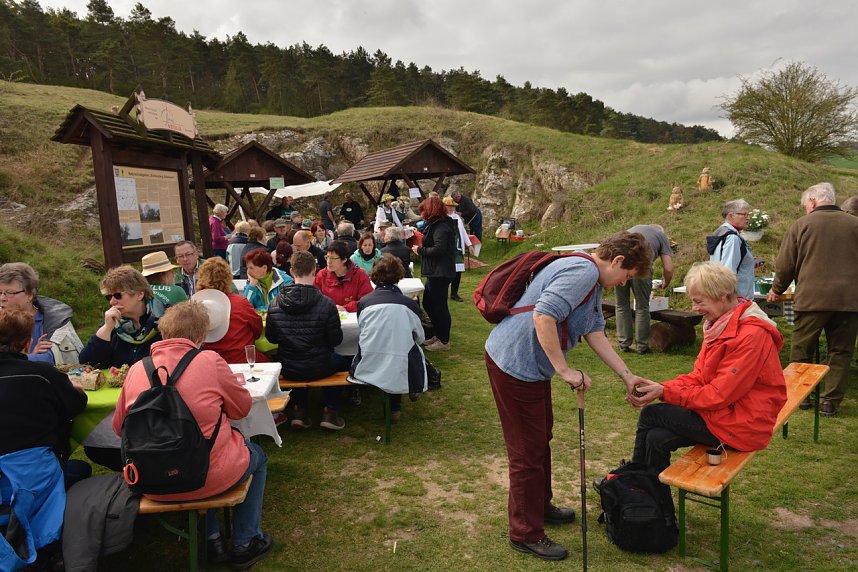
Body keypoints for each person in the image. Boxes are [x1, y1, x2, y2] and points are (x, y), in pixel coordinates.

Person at [484, 231, 652, 562]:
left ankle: (539, 506)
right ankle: (525, 532)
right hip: (514, 364)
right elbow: (543, 316)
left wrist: (627, 375)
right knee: (526, 451)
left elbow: (593, 331)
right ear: (617, 261)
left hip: (530, 368)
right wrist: (564, 371)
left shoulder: (589, 277)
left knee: (539, 438)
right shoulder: (583, 271)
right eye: (627, 277)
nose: (622, 284)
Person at [112, 301, 272, 568]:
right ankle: (245, 541)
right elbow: (241, 409)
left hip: (152, 480)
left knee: (195, 455)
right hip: (207, 475)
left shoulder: (137, 369)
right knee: (255, 456)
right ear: (201, 337)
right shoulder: (209, 360)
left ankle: (211, 539)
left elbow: (119, 428)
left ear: (163, 334)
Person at [629, 262, 787, 474]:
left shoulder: (751, 335)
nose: (694, 308)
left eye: (698, 301)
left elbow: (718, 395)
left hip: (744, 424)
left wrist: (665, 392)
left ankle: (632, 483)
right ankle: (650, 503)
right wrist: (660, 387)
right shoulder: (722, 324)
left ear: (722, 296)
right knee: (656, 439)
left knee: (651, 414)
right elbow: (700, 376)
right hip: (727, 414)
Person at [767, 182, 858, 416]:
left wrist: (777, 289)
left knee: (802, 348)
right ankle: (830, 402)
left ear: (814, 201)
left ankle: (800, 396)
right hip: (849, 301)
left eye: (805, 204)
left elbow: (785, 264)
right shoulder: (855, 224)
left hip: (811, 300)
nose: (805, 208)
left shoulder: (801, 225)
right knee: (840, 351)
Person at [0, 306, 91, 486]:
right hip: (35, 470)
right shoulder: (43, 374)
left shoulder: (42, 374)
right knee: (81, 469)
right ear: (28, 343)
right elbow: (77, 404)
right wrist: (71, 386)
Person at [266, 251, 350, 431]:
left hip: (289, 366)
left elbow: (271, 338)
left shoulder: (274, 303)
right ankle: (330, 410)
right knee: (343, 361)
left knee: (303, 359)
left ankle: (298, 409)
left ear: (291, 271)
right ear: (314, 270)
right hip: (320, 365)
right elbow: (335, 339)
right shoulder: (326, 303)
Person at [350, 255, 427, 424]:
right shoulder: (410, 305)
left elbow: (363, 330)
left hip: (369, 360)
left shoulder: (364, 302)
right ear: (399, 275)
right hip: (399, 361)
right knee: (402, 351)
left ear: (374, 276)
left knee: (390, 350)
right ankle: (396, 407)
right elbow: (420, 337)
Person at [80, 266, 165, 369]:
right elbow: (87, 364)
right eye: (109, 297)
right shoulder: (113, 323)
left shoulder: (166, 320)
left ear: (139, 294)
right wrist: (106, 329)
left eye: (118, 295)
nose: (112, 302)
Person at [0, 262, 83, 365]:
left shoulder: (53, 320)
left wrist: (25, 359)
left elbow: (52, 358)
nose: (2, 298)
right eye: (0, 293)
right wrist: (31, 356)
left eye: (10, 293)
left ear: (29, 295)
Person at [193, 257, 267, 365]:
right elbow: (257, 330)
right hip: (242, 360)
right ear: (228, 278)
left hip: (210, 363)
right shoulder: (240, 303)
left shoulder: (193, 305)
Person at [615, 224, 674, 354]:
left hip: (620, 264)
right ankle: (642, 346)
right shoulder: (661, 235)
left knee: (621, 304)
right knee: (642, 306)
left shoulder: (634, 228)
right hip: (642, 267)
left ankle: (623, 343)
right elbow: (668, 268)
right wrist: (666, 282)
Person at [412, 195, 456, 351]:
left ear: (431, 210)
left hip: (441, 272)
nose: (422, 214)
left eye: (424, 211)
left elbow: (439, 249)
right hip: (435, 271)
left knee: (439, 306)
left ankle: (444, 341)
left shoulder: (442, 227)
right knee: (429, 304)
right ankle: (438, 334)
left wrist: (420, 250)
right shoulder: (435, 224)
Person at [709, 199, 755, 300]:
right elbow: (728, 271)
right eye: (744, 215)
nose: (748, 218)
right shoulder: (732, 238)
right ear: (731, 216)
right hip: (736, 300)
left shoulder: (721, 233)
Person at [314, 241, 373, 313]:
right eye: (327, 257)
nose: (329, 261)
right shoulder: (321, 275)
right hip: (328, 318)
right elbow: (315, 300)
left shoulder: (360, 275)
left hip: (353, 320)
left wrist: (346, 308)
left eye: (333, 258)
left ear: (344, 259)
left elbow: (366, 300)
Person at [443, 196, 474, 303]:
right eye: (449, 206)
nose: (451, 208)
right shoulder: (442, 217)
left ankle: (454, 293)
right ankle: (443, 292)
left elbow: (463, 232)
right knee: (447, 272)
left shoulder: (457, 217)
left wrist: (469, 245)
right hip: (447, 249)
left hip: (458, 248)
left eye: (452, 206)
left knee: (458, 272)